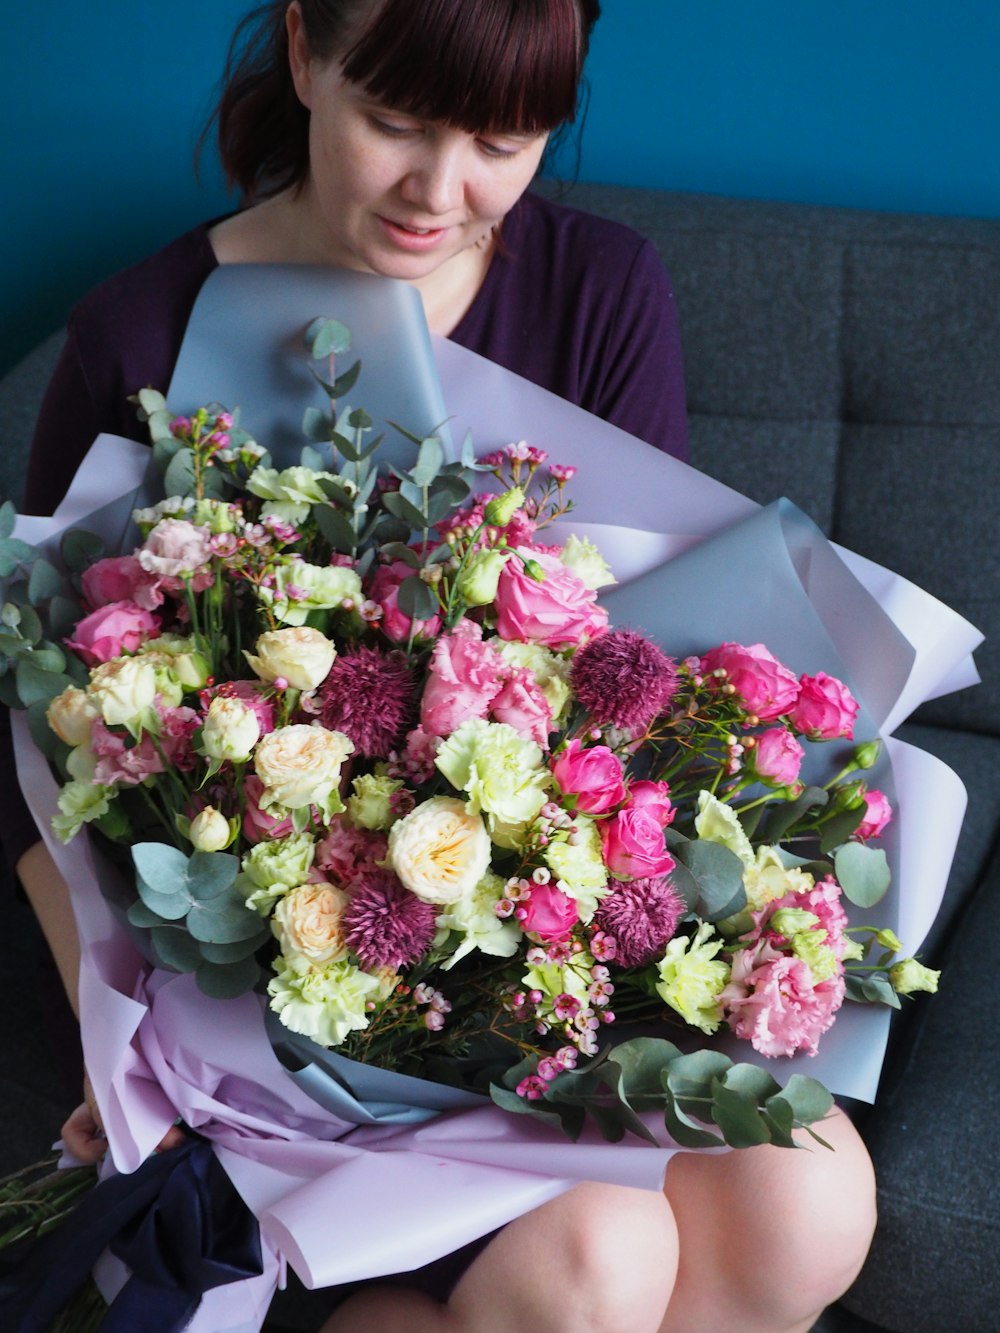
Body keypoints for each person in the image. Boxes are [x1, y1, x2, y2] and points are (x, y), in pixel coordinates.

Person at [11, 3, 877, 1331]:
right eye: (397, 126)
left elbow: (634, 671)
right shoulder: (143, 338)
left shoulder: (601, 290)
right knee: (595, 1260)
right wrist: (123, 1056)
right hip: (264, 1012)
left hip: (537, 965)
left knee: (811, 1193)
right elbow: (41, 762)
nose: (441, 190)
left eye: (502, 141)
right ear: (305, 54)